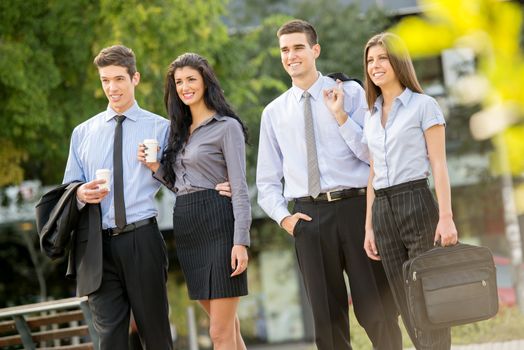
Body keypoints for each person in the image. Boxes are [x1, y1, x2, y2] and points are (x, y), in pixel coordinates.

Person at [256, 19, 401, 350]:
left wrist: (341, 117)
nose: (291, 56)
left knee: (377, 310)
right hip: (308, 219)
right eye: (284, 50)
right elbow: (265, 181)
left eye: (298, 47)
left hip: (356, 210)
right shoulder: (274, 113)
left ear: (315, 50)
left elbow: (373, 155)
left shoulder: (350, 93)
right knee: (326, 318)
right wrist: (285, 218)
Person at [138, 52, 250, 350]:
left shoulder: (227, 127)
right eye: (178, 82)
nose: (185, 87)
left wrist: (241, 241)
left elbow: (240, 189)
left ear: (205, 82)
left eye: (191, 79)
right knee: (227, 327)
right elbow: (181, 186)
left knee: (218, 333)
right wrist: (155, 169)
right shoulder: (177, 133)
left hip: (220, 224)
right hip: (188, 225)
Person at [359, 32, 458, 349]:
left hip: (417, 201)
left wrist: (446, 217)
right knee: (404, 300)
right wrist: (369, 225)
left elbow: (439, 165)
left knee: (427, 296)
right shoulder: (371, 114)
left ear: (398, 61)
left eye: (383, 58)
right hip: (383, 210)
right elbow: (374, 171)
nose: (375, 65)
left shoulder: (423, 106)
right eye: (371, 60)